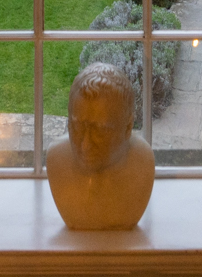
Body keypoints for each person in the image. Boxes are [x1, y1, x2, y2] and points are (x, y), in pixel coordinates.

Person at [46, 63, 154, 230]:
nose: (85, 145)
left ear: (128, 127)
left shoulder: (143, 163)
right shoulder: (56, 159)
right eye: (77, 127)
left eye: (101, 131)